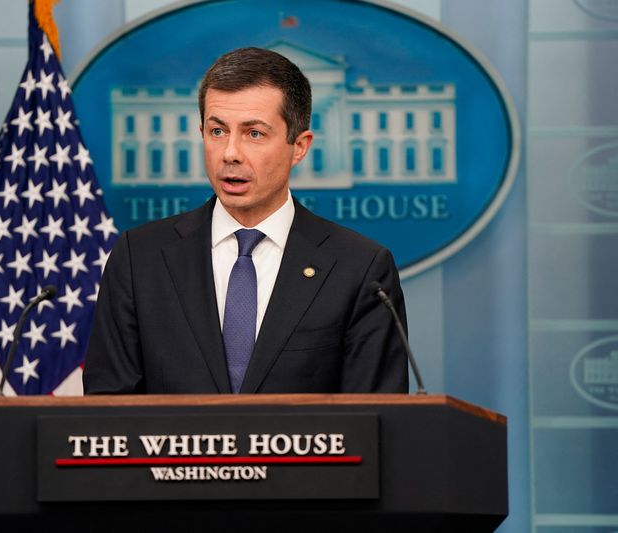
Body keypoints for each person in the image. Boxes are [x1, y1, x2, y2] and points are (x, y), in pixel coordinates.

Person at [83, 47, 407, 394]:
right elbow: (108, 414)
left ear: (299, 146)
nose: (230, 153)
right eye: (217, 131)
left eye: (254, 134)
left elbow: (376, 423)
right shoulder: (139, 259)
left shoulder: (359, 269)